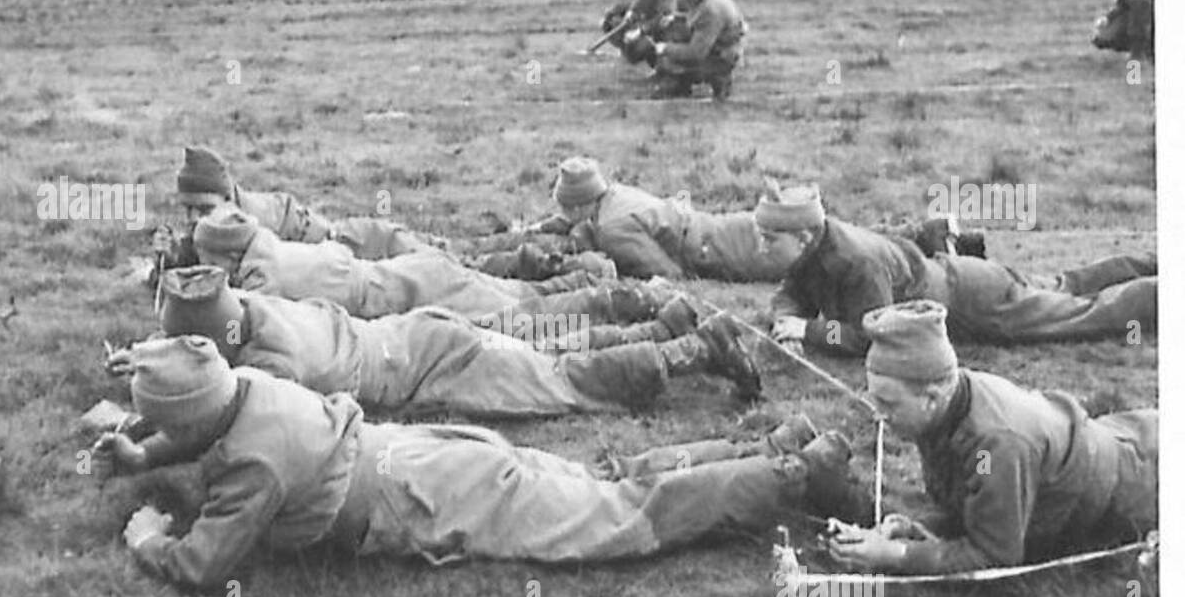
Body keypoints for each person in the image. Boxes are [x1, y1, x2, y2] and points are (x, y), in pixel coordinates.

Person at [97, 336, 865, 591]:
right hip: (425, 452)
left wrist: (149, 539)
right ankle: (772, 448)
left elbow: (203, 564)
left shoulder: (253, 470)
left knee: (618, 516)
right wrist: (144, 451)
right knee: (604, 479)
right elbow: (209, 422)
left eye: (161, 421)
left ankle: (799, 475)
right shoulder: (250, 384)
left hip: (429, 494)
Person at [126, 265, 763, 418]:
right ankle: (661, 326)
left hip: (434, 364)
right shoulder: (261, 307)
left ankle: (696, 349)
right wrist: (148, 359)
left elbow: (220, 412)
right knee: (541, 345)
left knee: (561, 380)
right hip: (418, 332)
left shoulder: (272, 364)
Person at [827, 301, 1156, 574]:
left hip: (1139, 486)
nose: (877, 413)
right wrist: (911, 528)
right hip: (1116, 437)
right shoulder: (947, 401)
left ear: (931, 397)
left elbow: (995, 555)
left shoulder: (996, 444)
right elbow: (972, 506)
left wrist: (895, 554)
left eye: (888, 403)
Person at [764, 186, 1157, 355]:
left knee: (1083, 314)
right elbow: (790, 293)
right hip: (963, 276)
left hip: (977, 305)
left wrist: (809, 331)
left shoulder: (854, 263)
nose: (762, 246)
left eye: (770, 239)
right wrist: (786, 322)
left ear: (802, 235)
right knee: (1067, 285)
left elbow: (872, 335)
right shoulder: (816, 244)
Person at [192, 203, 648, 323]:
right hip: (414, 273)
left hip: (417, 292)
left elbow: (240, 324)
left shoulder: (264, 277)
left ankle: (616, 299)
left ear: (227, 255)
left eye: (206, 257)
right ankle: (595, 276)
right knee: (518, 297)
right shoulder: (268, 246)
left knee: (523, 318)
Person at [150, 145, 437, 278]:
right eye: (187, 209)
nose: (193, 218)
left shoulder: (263, 224)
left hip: (353, 246)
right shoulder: (214, 226)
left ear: (228, 199)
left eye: (203, 209)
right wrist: (170, 262)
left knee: (424, 262)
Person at [513, 157, 802, 283]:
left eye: (566, 208)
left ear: (578, 206)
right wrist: (538, 228)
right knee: (792, 228)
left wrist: (616, 275)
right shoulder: (613, 195)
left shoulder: (612, 229)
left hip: (721, 251)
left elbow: (666, 272)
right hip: (715, 226)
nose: (564, 214)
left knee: (798, 260)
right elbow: (573, 221)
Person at [647, 0, 746, 100]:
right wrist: (674, 18)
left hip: (722, 54)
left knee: (670, 59)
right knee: (670, 30)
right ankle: (677, 82)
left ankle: (718, 79)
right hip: (714, 43)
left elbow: (696, 52)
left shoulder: (711, 10)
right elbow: (690, 15)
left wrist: (665, 48)